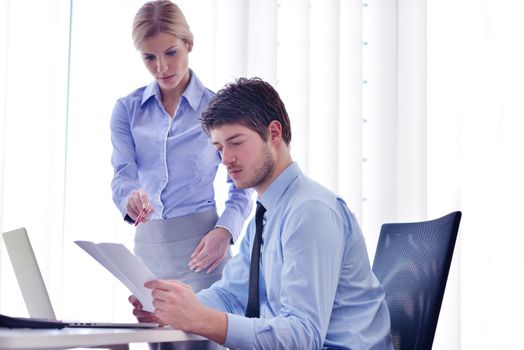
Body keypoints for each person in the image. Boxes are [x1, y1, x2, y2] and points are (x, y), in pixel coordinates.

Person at [133, 77, 394, 349]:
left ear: (274, 133)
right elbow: (231, 294)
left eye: (236, 142)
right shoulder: (267, 215)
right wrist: (175, 307)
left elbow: (302, 336)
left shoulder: (309, 212)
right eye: (219, 148)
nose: (225, 160)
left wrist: (201, 319)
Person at [110, 1, 252, 348]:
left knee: (207, 340)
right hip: (148, 255)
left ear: (189, 43)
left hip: (203, 253)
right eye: (149, 57)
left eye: (170, 52)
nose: (161, 67)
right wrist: (131, 197)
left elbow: (242, 187)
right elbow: (122, 176)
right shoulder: (127, 110)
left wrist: (225, 232)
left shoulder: (218, 107)